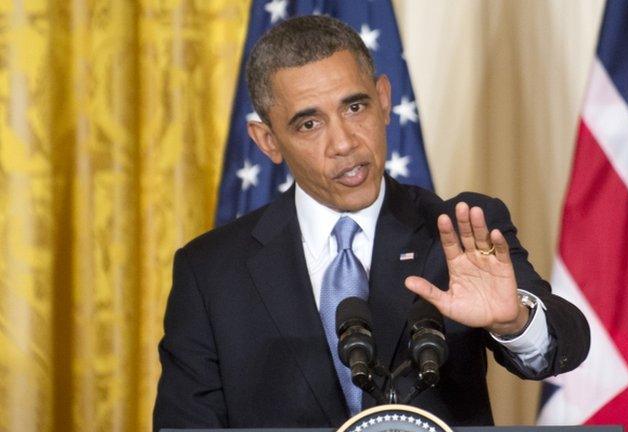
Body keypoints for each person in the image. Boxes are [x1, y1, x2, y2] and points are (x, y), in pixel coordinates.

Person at [153, 15, 589, 431]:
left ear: (383, 99)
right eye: (309, 123)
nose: (343, 142)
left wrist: (514, 322)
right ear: (268, 141)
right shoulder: (211, 273)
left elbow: (567, 344)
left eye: (355, 106)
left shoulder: (458, 232)